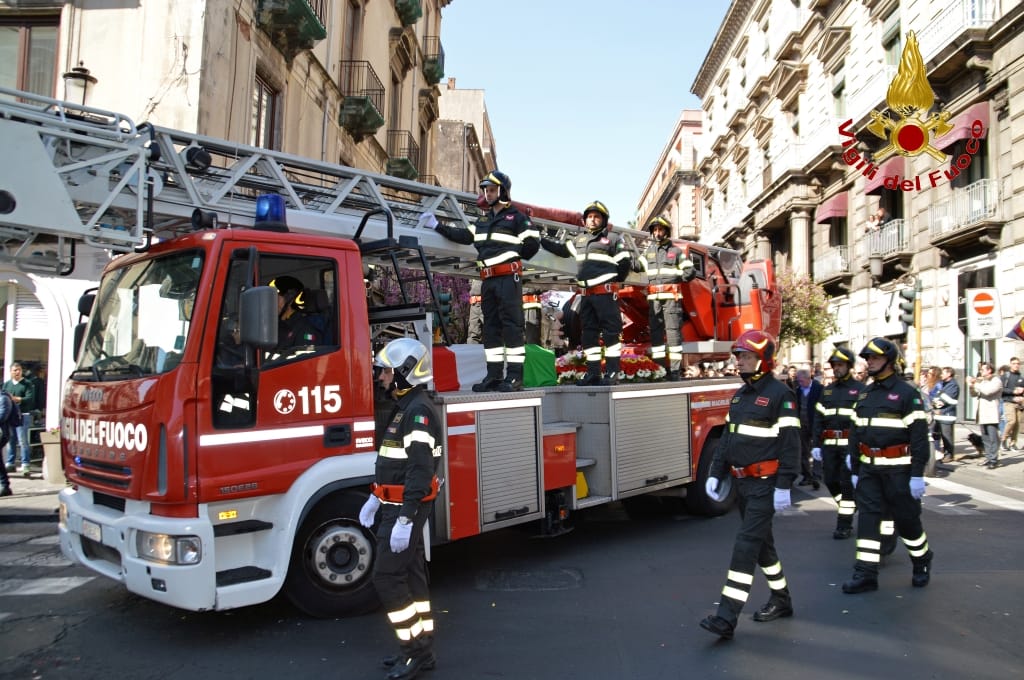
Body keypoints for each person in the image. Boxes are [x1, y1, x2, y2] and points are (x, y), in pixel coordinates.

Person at [700, 330, 800, 640]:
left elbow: (791, 444)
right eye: (739, 356)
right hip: (743, 484)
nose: (739, 361)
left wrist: (784, 485)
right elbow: (727, 439)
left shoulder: (781, 395)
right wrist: (716, 472)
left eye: (746, 356)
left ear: (764, 360)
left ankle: (726, 617)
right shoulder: (741, 395)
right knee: (763, 547)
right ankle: (782, 599)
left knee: (745, 546)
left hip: (765, 485)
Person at [358, 338, 443, 680]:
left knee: (386, 576)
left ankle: (414, 652)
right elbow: (396, 463)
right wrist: (376, 497)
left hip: (403, 511)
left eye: (386, 371)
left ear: (406, 372)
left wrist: (405, 518)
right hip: (394, 505)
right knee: (410, 574)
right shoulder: (406, 407)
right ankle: (422, 648)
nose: (380, 376)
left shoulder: (417, 412)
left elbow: (420, 471)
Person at [434, 171, 540, 391]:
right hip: (488, 281)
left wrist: (512, 258)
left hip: (508, 278)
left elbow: (532, 243)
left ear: (503, 191)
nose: (488, 194)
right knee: (491, 328)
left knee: (512, 327)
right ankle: (494, 376)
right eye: (486, 190)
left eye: (492, 190)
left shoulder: (517, 217)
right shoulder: (483, 220)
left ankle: (515, 377)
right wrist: (436, 226)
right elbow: (464, 236)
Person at [842, 338, 933, 594]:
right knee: (868, 520)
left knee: (907, 522)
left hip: (899, 471)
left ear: (890, 361)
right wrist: (855, 467)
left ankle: (921, 560)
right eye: (868, 358)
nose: (869, 362)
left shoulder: (907, 393)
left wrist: (917, 474)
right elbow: (856, 432)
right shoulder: (866, 393)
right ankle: (865, 574)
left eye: (875, 358)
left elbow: (918, 438)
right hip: (869, 470)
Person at [541, 200, 632, 386]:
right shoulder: (579, 240)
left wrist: (613, 283)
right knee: (588, 334)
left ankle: (612, 373)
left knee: (610, 334)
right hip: (586, 296)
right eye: (589, 216)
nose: (592, 219)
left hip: (605, 294)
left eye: (596, 216)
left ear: (604, 219)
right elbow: (561, 249)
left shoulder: (613, 239)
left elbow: (624, 263)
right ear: (585, 220)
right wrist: (540, 240)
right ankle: (593, 373)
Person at [811, 347, 864, 539]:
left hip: (849, 446)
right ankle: (849, 505)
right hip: (830, 445)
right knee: (830, 481)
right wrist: (816, 444)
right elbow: (818, 418)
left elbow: (862, 421)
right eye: (834, 365)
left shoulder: (860, 390)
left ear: (849, 366)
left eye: (840, 365)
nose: (836, 368)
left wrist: (857, 448)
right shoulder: (827, 391)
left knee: (846, 485)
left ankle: (844, 525)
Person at [639, 216, 695, 381]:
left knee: (673, 334)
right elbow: (636, 266)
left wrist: (674, 280)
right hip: (654, 301)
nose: (657, 233)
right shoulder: (648, 252)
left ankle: (675, 371)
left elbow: (690, 272)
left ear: (666, 231)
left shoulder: (676, 251)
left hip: (671, 299)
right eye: (655, 230)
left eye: (660, 229)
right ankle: (660, 370)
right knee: (656, 335)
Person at [269, 276, 322, 350]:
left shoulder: (305, 330)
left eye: (276, 297)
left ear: (290, 299)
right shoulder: (273, 324)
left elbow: (304, 356)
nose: (272, 302)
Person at [967, 361, 1002, 469]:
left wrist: (976, 383)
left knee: (993, 438)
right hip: (982, 413)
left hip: (991, 413)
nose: (980, 371)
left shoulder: (996, 381)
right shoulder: (982, 381)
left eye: (982, 369)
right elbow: (974, 394)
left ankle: (994, 459)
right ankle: (988, 457)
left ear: (989, 370)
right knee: (985, 438)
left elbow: (987, 391)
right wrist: (971, 386)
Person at [3, 362, 35, 476]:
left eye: (19, 370)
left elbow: (30, 398)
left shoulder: (27, 384)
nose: (17, 372)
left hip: (22, 415)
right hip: (10, 415)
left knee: (23, 440)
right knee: (11, 439)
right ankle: (10, 463)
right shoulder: (6, 385)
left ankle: (25, 464)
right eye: (15, 370)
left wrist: (16, 399)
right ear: (10, 372)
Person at [794, 367, 822, 490]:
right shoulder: (798, 390)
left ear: (808, 378)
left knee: (816, 450)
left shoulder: (819, 389)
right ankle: (807, 475)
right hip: (802, 424)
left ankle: (816, 476)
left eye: (801, 381)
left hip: (815, 424)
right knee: (803, 451)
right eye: (798, 381)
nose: (800, 383)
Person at [931, 367, 960, 463]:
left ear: (949, 374)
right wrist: (936, 401)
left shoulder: (953, 385)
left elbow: (948, 400)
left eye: (943, 373)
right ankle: (937, 454)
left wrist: (939, 397)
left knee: (947, 437)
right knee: (936, 435)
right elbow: (935, 397)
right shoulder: (944, 384)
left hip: (947, 415)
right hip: (938, 415)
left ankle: (949, 455)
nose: (941, 375)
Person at [1001, 357, 1023, 451]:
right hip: (1008, 401)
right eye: (1014, 363)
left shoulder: (1021, 376)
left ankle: (1013, 443)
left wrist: (1022, 395)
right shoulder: (1005, 376)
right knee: (1011, 421)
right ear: (1010, 364)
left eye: (1018, 363)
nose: (1016, 365)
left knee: (1017, 424)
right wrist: (1013, 391)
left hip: (1019, 403)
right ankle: (1003, 440)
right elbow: (1001, 389)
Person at [0, 389, 14, 495]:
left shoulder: (3, 398)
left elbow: (3, 416)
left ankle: (5, 485)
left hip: (2, 433)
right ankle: (5, 485)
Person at [466, 279, 483, 344]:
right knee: (473, 332)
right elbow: (471, 281)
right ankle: (471, 350)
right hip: (474, 304)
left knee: (493, 330)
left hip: (488, 302)